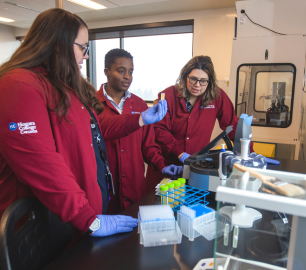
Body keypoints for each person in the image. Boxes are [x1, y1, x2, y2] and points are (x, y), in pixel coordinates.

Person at [0, 8, 167, 244]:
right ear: (59, 44)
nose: (86, 56)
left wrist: (140, 119)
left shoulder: (65, 86)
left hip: (72, 218)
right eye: (83, 48)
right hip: (38, 228)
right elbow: (41, 162)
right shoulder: (19, 84)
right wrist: (87, 218)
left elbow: (99, 130)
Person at [146, 55, 253, 192]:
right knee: (160, 205)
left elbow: (233, 125)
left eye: (203, 81)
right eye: (193, 79)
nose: (197, 85)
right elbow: (159, 130)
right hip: (167, 167)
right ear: (185, 76)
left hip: (197, 169)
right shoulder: (168, 96)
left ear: (210, 82)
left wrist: (249, 153)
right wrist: (179, 154)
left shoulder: (217, 97)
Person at [96, 48, 183, 214]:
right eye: (121, 71)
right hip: (105, 190)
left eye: (130, 71)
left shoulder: (140, 106)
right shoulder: (92, 104)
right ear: (106, 72)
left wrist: (162, 165)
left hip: (134, 189)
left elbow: (148, 145)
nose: (127, 76)